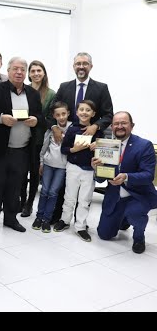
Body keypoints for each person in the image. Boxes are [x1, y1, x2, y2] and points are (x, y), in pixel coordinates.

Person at [50, 52, 113, 224]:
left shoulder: (101, 88)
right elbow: (52, 111)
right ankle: (61, 217)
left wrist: (95, 126)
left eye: (85, 63)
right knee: (66, 184)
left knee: (85, 188)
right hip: (68, 138)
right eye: (78, 63)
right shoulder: (64, 87)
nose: (81, 67)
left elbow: (108, 115)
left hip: (90, 141)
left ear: (90, 66)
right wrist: (55, 127)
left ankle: (81, 223)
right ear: (73, 66)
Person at [0, 57, 43, 233]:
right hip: (0, 148)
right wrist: (1, 118)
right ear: (7, 71)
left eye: (22, 69)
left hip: (22, 150)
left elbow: (40, 117)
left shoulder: (33, 93)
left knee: (15, 186)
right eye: (15, 69)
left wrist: (36, 120)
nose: (19, 72)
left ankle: (10, 218)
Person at [93, 111, 157, 253]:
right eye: (116, 123)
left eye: (124, 123)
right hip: (115, 196)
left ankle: (139, 237)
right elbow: (100, 179)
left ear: (132, 126)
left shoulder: (144, 145)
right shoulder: (106, 146)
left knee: (135, 213)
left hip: (137, 195)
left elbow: (148, 175)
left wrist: (127, 177)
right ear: (112, 126)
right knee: (104, 235)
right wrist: (96, 169)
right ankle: (124, 219)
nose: (119, 126)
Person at [53, 100, 103, 241]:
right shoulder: (72, 129)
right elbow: (64, 149)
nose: (84, 112)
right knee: (69, 197)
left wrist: (97, 145)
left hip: (89, 171)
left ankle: (81, 226)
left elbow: (104, 151)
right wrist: (74, 149)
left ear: (93, 114)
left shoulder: (98, 132)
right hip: (73, 168)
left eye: (88, 110)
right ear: (76, 112)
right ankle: (65, 220)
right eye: (81, 109)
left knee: (84, 199)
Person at [21, 60, 56, 217]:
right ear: (28, 74)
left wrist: (37, 120)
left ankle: (29, 204)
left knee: (34, 172)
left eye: (39, 71)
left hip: (38, 138)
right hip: (21, 136)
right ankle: (21, 201)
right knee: (21, 171)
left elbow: (50, 118)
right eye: (33, 71)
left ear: (44, 73)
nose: (36, 74)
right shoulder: (22, 90)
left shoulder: (50, 94)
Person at [32, 101, 71, 233]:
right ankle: (39, 217)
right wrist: (42, 163)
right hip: (48, 165)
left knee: (53, 192)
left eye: (64, 114)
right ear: (54, 116)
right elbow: (44, 148)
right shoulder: (50, 130)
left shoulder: (72, 129)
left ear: (68, 114)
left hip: (62, 167)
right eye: (58, 114)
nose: (61, 117)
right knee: (44, 191)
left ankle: (47, 220)